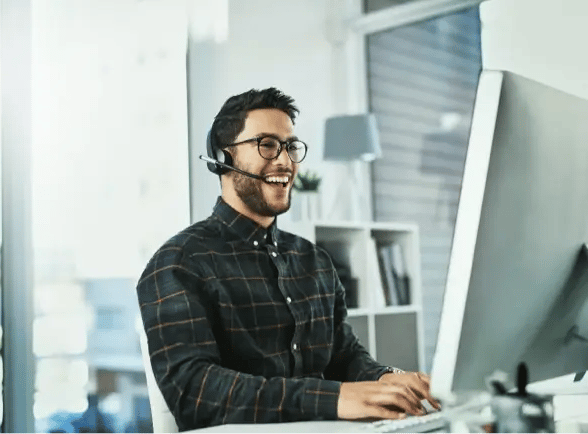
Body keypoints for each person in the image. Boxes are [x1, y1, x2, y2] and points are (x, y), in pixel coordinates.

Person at [136, 87, 439, 431]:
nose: (284, 161)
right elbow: (195, 392)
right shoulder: (179, 263)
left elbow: (344, 357)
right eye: (266, 144)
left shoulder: (314, 260)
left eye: (291, 147)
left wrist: (389, 381)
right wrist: (334, 399)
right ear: (223, 156)